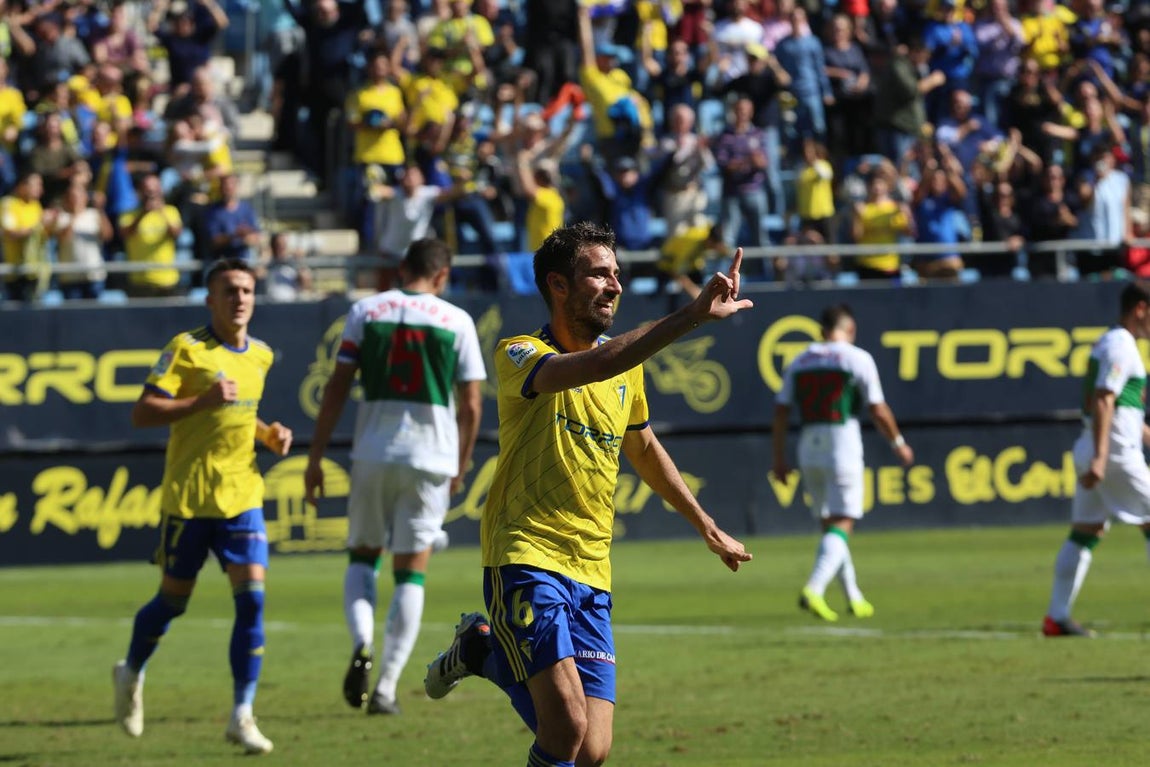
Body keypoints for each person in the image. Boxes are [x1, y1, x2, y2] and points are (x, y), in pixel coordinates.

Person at [420, 221, 753, 767]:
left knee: (593, 750)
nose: (615, 285)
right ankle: (487, 649)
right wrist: (691, 316)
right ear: (558, 285)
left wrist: (707, 526)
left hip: (591, 567)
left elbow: (643, 449)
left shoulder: (628, 370)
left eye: (617, 274)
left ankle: (483, 652)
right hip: (524, 555)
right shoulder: (518, 353)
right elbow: (598, 364)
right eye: (599, 274)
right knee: (566, 729)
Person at [112, 258, 292, 754]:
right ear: (210, 299)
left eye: (247, 290)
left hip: (242, 495)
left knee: (252, 600)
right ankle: (130, 671)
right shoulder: (185, 350)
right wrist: (200, 402)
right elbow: (143, 411)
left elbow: (242, 415)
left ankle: (241, 714)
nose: (240, 299)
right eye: (230, 290)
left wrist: (268, 435)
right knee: (172, 601)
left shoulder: (261, 355)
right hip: (190, 497)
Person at [304, 238, 486, 716]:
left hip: (373, 452)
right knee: (412, 571)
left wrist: (316, 455)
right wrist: (462, 464)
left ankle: (362, 641)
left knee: (363, 557)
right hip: (432, 458)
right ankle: (385, 687)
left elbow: (337, 387)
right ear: (442, 276)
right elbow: (470, 405)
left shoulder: (365, 311)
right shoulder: (458, 321)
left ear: (401, 269)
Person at [771, 303, 914, 622]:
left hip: (809, 444)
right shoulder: (857, 357)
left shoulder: (800, 360)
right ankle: (814, 588)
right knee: (843, 523)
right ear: (850, 329)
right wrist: (899, 444)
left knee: (830, 528)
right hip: (842, 442)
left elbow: (781, 412)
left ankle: (854, 597)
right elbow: (878, 409)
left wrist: (778, 458)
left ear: (822, 331)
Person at [1042, 282, 1150, 638]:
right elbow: (1105, 399)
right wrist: (1103, 458)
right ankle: (1057, 617)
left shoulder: (1110, 342)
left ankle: (1057, 617)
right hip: (1113, 451)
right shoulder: (1121, 345)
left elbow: (1124, 408)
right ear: (1139, 309)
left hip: (1097, 444)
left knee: (1086, 531)